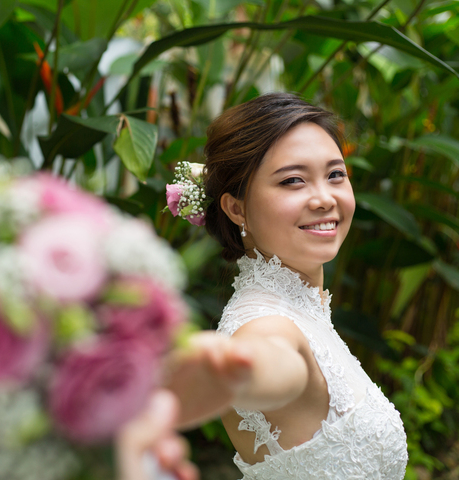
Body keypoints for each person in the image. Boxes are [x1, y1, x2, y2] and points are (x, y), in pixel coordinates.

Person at [165, 93, 409, 479]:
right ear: (236, 208)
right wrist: (232, 370)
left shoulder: (301, 305)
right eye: (293, 181)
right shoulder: (264, 324)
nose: (324, 198)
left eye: (335, 175)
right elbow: (270, 361)